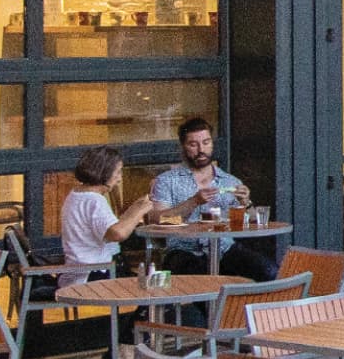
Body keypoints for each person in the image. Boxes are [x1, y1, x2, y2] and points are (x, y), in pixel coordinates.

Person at [145, 116, 277, 281]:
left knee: (269, 271)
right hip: (183, 249)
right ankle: (220, 306)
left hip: (224, 248)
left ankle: (243, 307)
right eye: (194, 144)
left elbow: (250, 220)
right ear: (183, 147)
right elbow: (158, 219)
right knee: (206, 284)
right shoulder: (167, 180)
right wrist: (193, 202)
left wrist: (246, 202)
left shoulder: (230, 181)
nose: (201, 149)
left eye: (206, 142)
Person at [59, 145, 161, 278]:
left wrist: (135, 208)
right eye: (118, 172)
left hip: (83, 270)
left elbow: (110, 227)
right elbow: (117, 234)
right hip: (97, 273)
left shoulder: (76, 194)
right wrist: (139, 211)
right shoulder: (94, 200)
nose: (119, 179)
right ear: (104, 171)